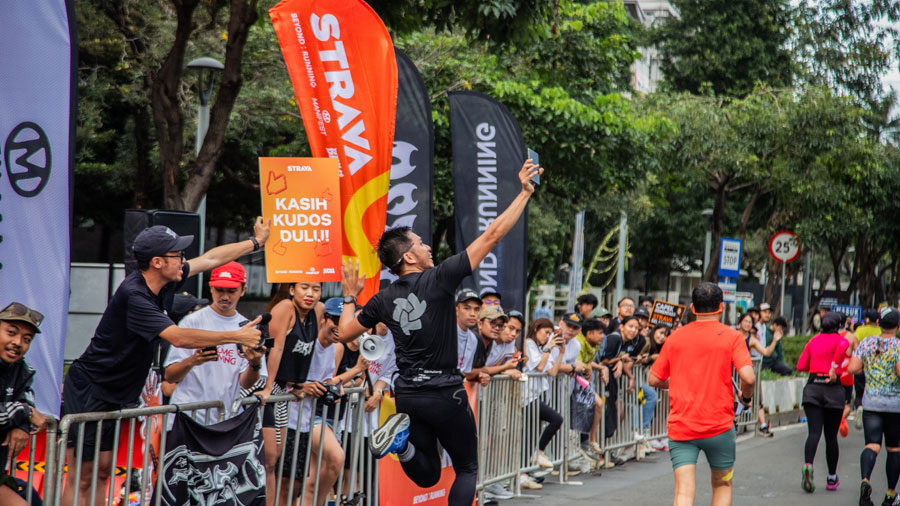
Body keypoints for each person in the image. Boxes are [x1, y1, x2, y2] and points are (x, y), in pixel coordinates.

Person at [338, 160, 543, 506]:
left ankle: (401, 445)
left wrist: (348, 296)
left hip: (408, 395)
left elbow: (345, 331)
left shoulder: (382, 298)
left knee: (428, 475)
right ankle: (402, 444)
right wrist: (524, 193)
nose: (428, 247)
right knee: (467, 468)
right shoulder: (440, 278)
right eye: (421, 244)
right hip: (445, 391)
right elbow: (492, 235)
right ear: (408, 257)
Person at [61, 220, 269, 506]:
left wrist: (255, 243)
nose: (183, 260)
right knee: (82, 476)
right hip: (91, 388)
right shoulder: (134, 295)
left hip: (116, 391)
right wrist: (237, 335)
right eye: (177, 255)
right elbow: (178, 337)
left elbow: (210, 259)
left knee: (104, 470)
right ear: (157, 262)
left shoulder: (166, 281)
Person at [648, 283, 755, 506]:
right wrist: (745, 398)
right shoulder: (732, 337)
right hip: (720, 427)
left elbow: (654, 379)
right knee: (722, 485)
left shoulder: (675, 337)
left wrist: (675, 382)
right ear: (721, 307)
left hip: (682, 427)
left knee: (683, 492)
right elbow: (749, 378)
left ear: (692, 308)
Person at [163, 262, 267, 426]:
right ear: (211, 288)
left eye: (231, 291)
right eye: (219, 290)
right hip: (188, 417)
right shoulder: (191, 321)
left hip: (225, 418)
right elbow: (169, 376)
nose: (225, 296)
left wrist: (255, 363)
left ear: (243, 290)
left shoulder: (248, 329)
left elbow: (245, 383)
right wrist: (193, 360)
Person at [256, 280, 324, 506]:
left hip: (284, 389)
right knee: (267, 459)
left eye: (316, 289)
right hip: (267, 384)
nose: (310, 293)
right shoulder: (285, 308)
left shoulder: (318, 310)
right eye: (305, 287)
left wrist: (298, 385)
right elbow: (277, 348)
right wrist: (268, 387)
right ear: (292, 289)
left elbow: (307, 350)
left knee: (274, 459)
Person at [284, 297, 346, 506]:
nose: (339, 327)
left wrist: (333, 387)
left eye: (344, 322)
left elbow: (327, 378)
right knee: (335, 458)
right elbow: (283, 378)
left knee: (309, 478)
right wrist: (303, 387)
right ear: (323, 319)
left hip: (312, 416)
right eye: (335, 320)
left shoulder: (335, 348)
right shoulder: (307, 343)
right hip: (291, 418)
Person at [847, 307, 900, 506]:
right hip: (894, 405)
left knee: (872, 445)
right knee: (893, 448)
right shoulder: (898, 346)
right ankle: (890, 495)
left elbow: (852, 368)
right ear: (898, 326)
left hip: (871, 403)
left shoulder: (867, 343)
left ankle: (865, 480)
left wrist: (869, 367)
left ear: (879, 323)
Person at [0, 303, 49, 506]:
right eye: (11, 333)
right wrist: (25, 412)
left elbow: (27, 400)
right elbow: (27, 409)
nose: (18, 343)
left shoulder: (22, 369)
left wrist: (22, 425)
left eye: (27, 339)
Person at [796, 311, 849, 493]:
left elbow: (801, 366)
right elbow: (844, 344)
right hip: (833, 391)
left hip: (812, 389)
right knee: (831, 437)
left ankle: (808, 465)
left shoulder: (813, 341)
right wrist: (833, 367)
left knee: (813, 433)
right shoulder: (839, 340)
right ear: (838, 326)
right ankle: (832, 478)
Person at [522, 319, 564, 477]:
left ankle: (526, 469)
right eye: (545, 332)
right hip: (527, 396)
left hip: (535, 395)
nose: (547, 336)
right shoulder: (529, 343)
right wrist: (548, 348)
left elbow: (552, 372)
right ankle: (535, 456)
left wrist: (561, 353)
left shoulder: (541, 349)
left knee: (531, 433)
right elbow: (539, 367)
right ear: (536, 329)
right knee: (555, 419)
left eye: (550, 334)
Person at [735, 312, 780, 436]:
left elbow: (766, 352)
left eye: (750, 322)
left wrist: (775, 341)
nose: (747, 324)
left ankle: (762, 425)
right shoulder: (733, 336)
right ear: (740, 323)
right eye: (745, 321)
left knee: (755, 398)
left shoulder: (752, 340)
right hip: (733, 374)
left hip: (745, 374)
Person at [455, 290, 489, 386]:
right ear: (457, 311)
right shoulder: (446, 332)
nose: (472, 314)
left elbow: (465, 372)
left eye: (477, 309)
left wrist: (480, 377)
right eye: (467, 308)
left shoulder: (473, 339)